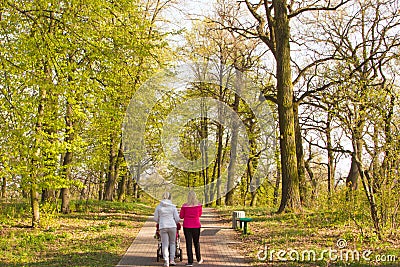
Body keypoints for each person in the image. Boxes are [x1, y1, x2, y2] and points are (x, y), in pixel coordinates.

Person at [154, 192, 180, 267]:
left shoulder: (159, 207)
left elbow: (155, 218)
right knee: (172, 243)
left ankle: (166, 261)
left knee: (165, 244)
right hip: (172, 226)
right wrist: (174, 222)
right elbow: (177, 218)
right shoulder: (173, 207)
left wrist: (160, 221)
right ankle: (172, 260)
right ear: (170, 198)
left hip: (163, 226)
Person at [180, 190, 203, 266]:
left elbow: (181, 216)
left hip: (187, 226)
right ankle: (199, 259)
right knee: (196, 242)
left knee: (188, 243)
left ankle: (190, 261)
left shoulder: (184, 206)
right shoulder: (199, 205)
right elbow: (199, 214)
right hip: (196, 225)